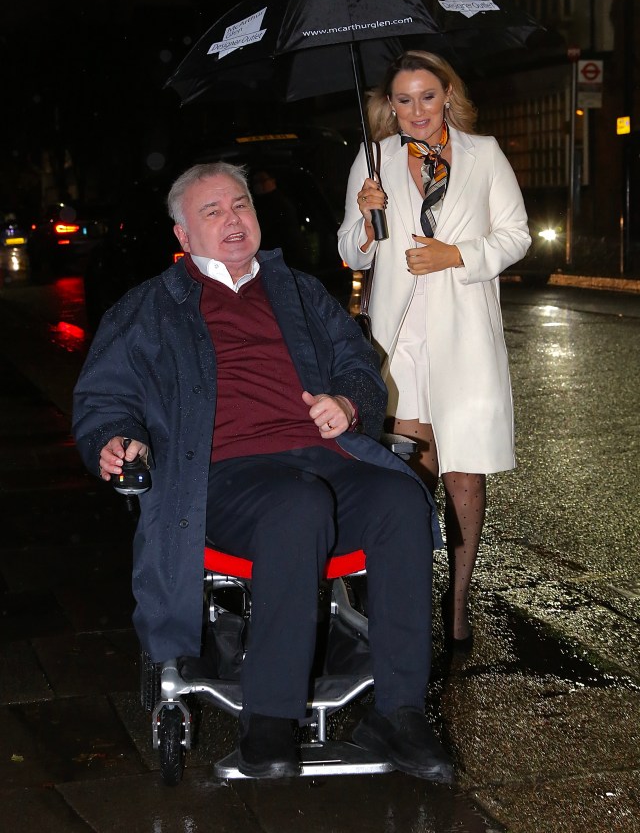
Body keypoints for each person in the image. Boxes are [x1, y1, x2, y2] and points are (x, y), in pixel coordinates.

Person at [72, 160, 453, 783]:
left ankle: (399, 711)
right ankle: (269, 724)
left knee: (401, 498)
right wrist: (115, 442)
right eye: (211, 212)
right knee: (295, 505)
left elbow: (359, 368)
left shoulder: (299, 292)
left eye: (240, 205)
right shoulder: (149, 310)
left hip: (323, 458)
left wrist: (351, 404)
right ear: (182, 236)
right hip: (218, 476)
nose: (232, 220)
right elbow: (103, 404)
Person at [338, 51, 531, 651]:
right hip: (401, 336)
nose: (416, 110)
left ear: (447, 95)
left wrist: (458, 256)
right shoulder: (374, 162)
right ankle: (411, 593)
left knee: (463, 470)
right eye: (403, 100)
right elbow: (352, 253)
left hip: (466, 332)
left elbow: (516, 235)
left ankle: (459, 598)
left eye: (427, 96)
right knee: (410, 474)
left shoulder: (484, 154)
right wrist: (368, 221)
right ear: (389, 106)